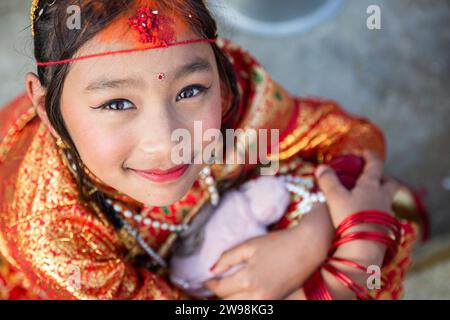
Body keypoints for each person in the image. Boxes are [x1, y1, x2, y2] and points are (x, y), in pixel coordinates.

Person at [0, 0, 426, 300]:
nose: (166, 140)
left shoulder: (233, 94)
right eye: (116, 104)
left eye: (190, 91)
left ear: (219, 72)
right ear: (45, 107)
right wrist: (350, 262)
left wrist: (312, 235)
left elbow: (345, 136)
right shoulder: (50, 235)